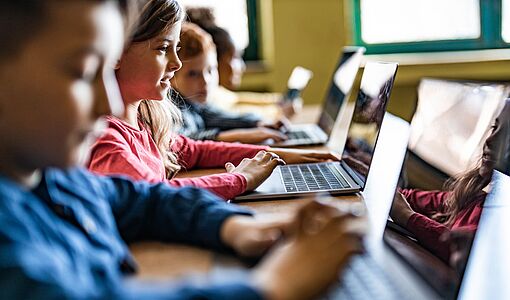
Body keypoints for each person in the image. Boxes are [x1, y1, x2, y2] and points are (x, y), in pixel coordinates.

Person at [0, 0, 367, 298]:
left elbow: (144, 200)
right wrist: (269, 288)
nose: (110, 104)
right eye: (82, 73)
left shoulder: (49, 178)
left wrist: (235, 227)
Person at [88, 1, 341, 200]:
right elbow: (156, 196)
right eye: (163, 49)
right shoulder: (104, 137)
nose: (176, 64)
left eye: (176, 49)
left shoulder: (145, 120)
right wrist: (240, 179)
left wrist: (274, 155)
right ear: (115, 52)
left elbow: (195, 150)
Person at [390, 101, 510, 262]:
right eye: (494, 129)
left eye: (506, 136)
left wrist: (407, 217)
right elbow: (415, 199)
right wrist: (378, 181)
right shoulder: (475, 197)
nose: (490, 141)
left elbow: (463, 249)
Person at [171, 22, 287, 143]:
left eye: (210, 70)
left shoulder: (195, 103)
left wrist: (259, 122)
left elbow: (219, 117)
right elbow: (182, 142)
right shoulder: (171, 108)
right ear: (170, 76)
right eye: (193, 74)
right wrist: (240, 136)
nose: (206, 81)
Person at [186, 7, 301, 120]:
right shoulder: (203, 98)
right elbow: (236, 117)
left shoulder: (218, 93)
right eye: (234, 58)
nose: (242, 66)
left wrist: (279, 100)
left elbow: (236, 100)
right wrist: (279, 112)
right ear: (216, 58)